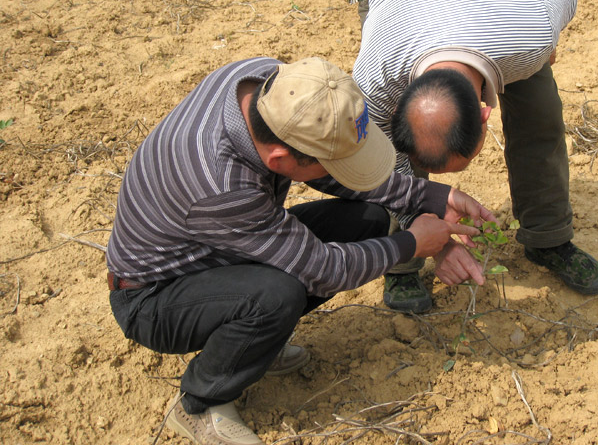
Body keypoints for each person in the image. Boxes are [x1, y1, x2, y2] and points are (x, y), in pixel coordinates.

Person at [106, 56, 493, 445]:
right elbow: (323, 270)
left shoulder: (273, 84)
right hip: (153, 295)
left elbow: (337, 171)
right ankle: (202, 403)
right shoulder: (223, 186)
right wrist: (411, 242)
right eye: (333, 162)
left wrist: (432, 196)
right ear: (280, 160)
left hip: (217, 246)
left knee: (367, 222)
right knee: (277, 296)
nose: (342, 169)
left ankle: (254, 346)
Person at [348, 0, 598, 314]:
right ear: (398, 104)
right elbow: (389, 164)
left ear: (486, 114)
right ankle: (404, 263)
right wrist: (429, 230)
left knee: (540, 114)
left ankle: (549, 238)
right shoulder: (374, 78)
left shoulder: (528, 34)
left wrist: (549, 37)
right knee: (388, 156)